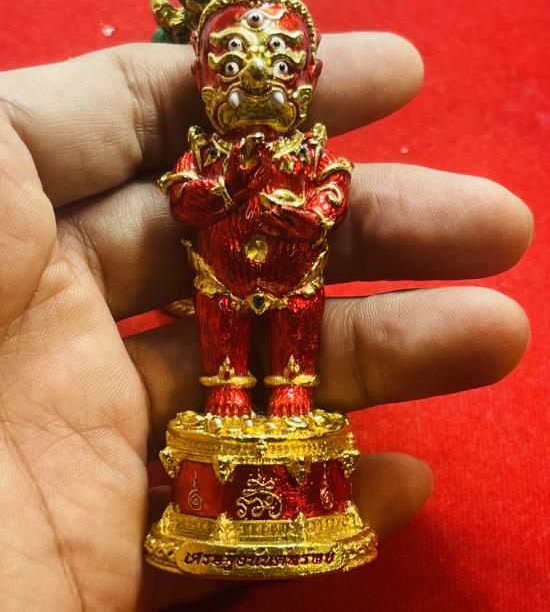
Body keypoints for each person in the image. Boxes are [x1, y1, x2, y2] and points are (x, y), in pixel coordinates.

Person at [0, 33, 532, 610]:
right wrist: (229, 186)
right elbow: (184, 200)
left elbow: (332, 195)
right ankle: (227, 388)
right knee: (221, 331)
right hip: (220, 274)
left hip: (294, 275)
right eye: (233, 63)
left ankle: (291, 394)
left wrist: (304, 215)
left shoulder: (309, 154)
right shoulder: (205, 153)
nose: (256, 78)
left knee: (296, 334)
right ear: (204, 79)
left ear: (307, 77)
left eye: (278, 63)